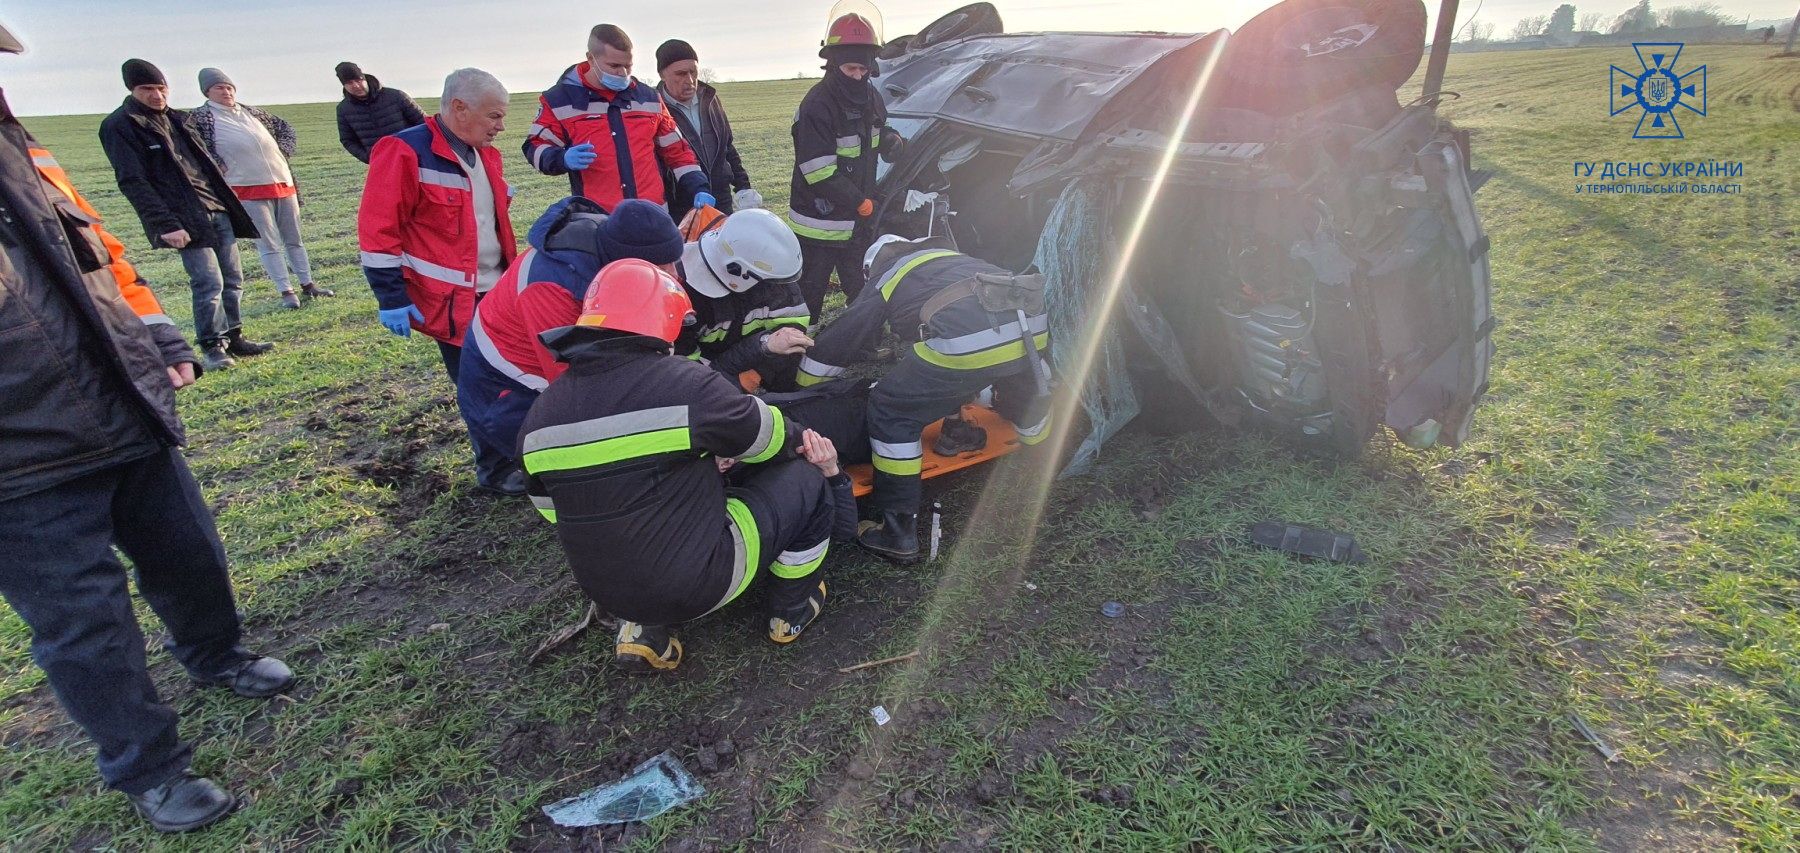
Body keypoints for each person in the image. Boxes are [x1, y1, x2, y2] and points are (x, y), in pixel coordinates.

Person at [0, 23, 293, 834]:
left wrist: (156, 331)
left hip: (118, 397)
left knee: (186, 548)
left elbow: (98, 248)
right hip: (19, 449)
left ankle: (216, 653)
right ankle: (149, 766)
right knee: (83, 622)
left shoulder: (20, 147)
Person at [519, 259, 856, 672]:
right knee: (805, 480)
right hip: (698, 584)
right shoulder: (685, 385)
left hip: (607, 591)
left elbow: (556, 511)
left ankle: (643, 631)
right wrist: (813, 450)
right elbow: (770, 439)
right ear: (665, 324)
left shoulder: (539, 417)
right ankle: (791, 611)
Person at [797, 236, 1053, 563]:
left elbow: (843, 337)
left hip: (967, 338)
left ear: (871, 268)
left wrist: (804, 390)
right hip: (1032, 328)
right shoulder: (951, 259)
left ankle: (897, 532)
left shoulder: (889, 273)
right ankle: (1040, 459)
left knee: (892, 407)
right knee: (1011, 382)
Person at [359, 68, 520, 493]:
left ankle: (519, 452)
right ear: (460, 108)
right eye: (494, 116)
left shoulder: (486, 155)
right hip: (452, 300)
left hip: (497, 289)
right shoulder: (404, 152)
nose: (501, 127)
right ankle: (496, 471)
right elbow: (378, 230)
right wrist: (390, 296)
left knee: (512, 375)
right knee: (480, 385)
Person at [457, 197, 685, 482]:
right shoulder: (552, 287)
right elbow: (573, 378)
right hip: (506, 384)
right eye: (662, 266)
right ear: (630, 262)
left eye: (673, 262)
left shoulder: (613, 246)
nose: (673, 275)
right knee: (575, 446)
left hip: (523, 365)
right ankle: (501, 469)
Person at [100, 58, 273, 372]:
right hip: (183, 217)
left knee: (233, 278)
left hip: (216, 207)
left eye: (161, 88)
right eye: (147, 89)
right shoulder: (120, 126)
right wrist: (166, 224)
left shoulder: (180, 119)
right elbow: (133, 181)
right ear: (132, 89)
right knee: (208, 282)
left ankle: (235, 337)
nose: (157, 95)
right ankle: (212, 346)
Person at [788, 2, 907, 321]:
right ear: (833, 63)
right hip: (820, 223)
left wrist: (890, 139)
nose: (857, 75)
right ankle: (798, 342)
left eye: (863, 69)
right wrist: (860, 202)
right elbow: (818, 171)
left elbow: (875, 132)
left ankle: (864, 338)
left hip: (856, 219)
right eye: (850, 69)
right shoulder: (817, 105)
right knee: (810, 292)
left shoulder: (870, 95)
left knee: (860, 285)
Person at [523, 24, 715, 213]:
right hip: (599, 220)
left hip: (653, 215)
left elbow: (678, 151)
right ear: (591, 59)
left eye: (628, 66)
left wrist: (698, 187)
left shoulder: (648, 99)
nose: (622, 73)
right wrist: (561, 158)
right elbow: (534, 147)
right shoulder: (560, 101)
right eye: (614, 66)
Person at [188, 67, 334, 309]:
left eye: (229, 87)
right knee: (269, 243)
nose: (226, 92)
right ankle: (286, 291)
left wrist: (282, 151)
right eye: (219, 88)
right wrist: (218, 164)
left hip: (282, 183)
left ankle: (308, 284)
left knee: (294, 239)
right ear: (207, 92)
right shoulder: (201, 118)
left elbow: (285, 129)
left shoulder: (253, 112)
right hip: (246, 187)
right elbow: (196, 148)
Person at [673, 206, 812, 391]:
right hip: (711, 378)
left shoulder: (770, 273)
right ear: (738, 272)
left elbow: (793, 326)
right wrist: (737, 379)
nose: (781, 287)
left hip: (759, 358)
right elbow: (690, 375)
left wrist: (759, 372)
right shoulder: (683, 298)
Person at [654, 39, 758, 222]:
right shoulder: (654, 109)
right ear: (662, 74)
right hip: (682, 206)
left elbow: (727, 146)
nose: (689, 80)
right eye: (680, 74)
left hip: (720, 197)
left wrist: (743, 186)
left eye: (693, 71)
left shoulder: (710, 100)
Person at [334, 61, 426, 164]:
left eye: (358, 80)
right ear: (344, 85)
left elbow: (424, 123)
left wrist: (419, 149)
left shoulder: (396, 96)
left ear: (364, 79)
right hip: (381, 163)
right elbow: (348, 140)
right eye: (349, 83)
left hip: (414, 158)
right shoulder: (344, 109)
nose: (356, 86)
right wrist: (369, 157)